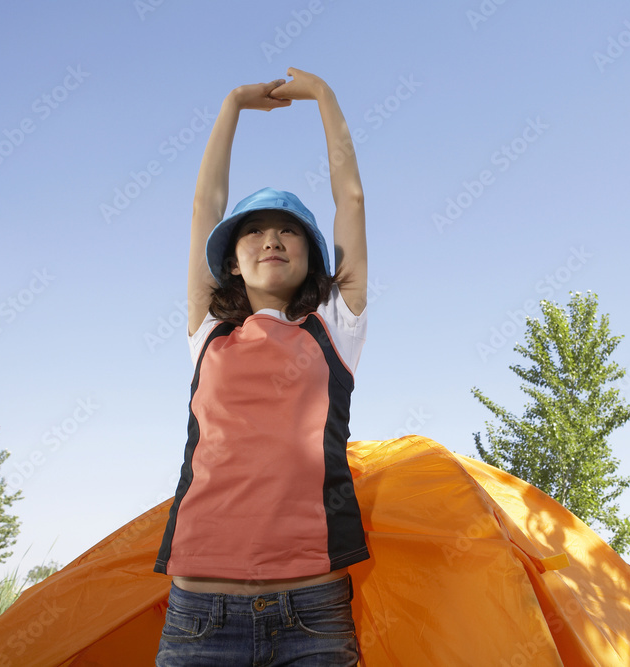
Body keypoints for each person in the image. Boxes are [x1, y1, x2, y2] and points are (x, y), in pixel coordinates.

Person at [153, 67, 368, 666]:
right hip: (199, 617)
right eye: (254, 232)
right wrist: (232, 107)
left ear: (311, 254)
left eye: (287, 231)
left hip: (313, 614)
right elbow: (204, 205)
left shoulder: (334, 326)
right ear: (232, 260)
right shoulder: (209, 333)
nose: (271, 240)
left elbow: (349, 197)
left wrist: (325, 95)